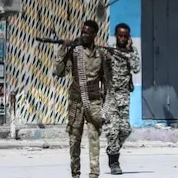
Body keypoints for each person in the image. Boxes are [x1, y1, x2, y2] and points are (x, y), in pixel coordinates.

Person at [54, 20, 111, 178]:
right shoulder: (74, 52)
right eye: (83, 32)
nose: (84, 35)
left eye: (88, 32)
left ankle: (94, 173)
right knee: (74, 139)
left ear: (94, 35)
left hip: (94, 101)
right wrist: (63, 49)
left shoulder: (101, 55)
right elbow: (59, 72)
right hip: (76, 101)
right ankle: (75, 173)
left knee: (94, 139)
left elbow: (107, 83)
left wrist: (105, 109)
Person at [104, 23, 140, 175]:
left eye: (126, 36)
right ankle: (114, 161)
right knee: (113, 130)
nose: (123, 38)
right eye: (120, 35)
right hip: (110, 95)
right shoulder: (109, 51)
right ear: (116, 35)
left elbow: (136, 67)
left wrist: (128, 51)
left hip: (124, 95)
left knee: (125, 129)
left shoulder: (132, 51)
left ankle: (112, 150)